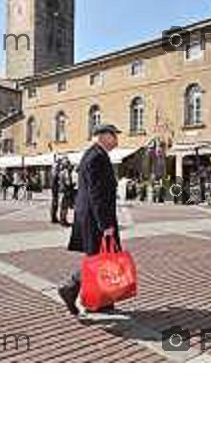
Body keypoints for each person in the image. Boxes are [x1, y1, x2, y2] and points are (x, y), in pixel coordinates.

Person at [58, 124, 122, 316]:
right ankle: (71, 287)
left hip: (91, 216)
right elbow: (97, 194)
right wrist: (106, 225)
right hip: (96, 218)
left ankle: (99, 301)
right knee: (99, 259)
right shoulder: (97, 157)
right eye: (114, 136)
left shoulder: (92, 154)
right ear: (103, 136)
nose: (117, 141)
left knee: (102, 258)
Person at [58, 158, 75, 226]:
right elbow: (67, 182)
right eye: (68, 163)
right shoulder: (65, 172)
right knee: (64, 207)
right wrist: (72, 185)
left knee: (63, 207)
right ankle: (63, 221)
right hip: (65, 191)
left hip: (63, 190)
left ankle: (63, 220)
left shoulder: (62, 172)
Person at [50, 158, 61, 223]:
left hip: (54, 188)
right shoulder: (55, 173)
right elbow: (55, 180)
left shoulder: (54, 171)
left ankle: (54, 217)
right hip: (55, 188)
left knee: (54, 203)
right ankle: (53, 218)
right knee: (55, 203)